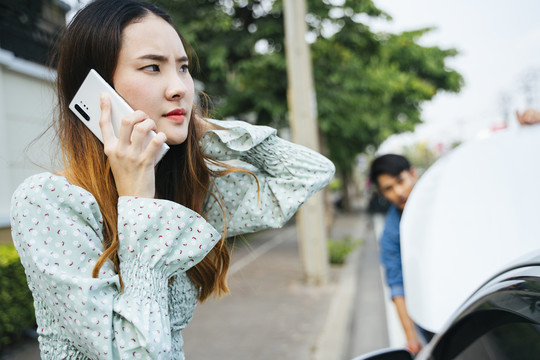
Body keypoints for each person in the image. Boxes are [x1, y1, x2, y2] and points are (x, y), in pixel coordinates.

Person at [9, 1, 335, 359]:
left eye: (183, 68)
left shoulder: (184, 190)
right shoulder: (49, 203)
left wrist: (203, 129)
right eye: (153, 67)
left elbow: (310, 173)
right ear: (94, 90)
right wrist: (137, 203)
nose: (179, 87)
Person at [369, 154, 432, 354]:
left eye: (400, 181)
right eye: (388, 188)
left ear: (412, 174)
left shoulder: (441, 201)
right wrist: (411, 338)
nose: (398, 192)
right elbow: (397, 284)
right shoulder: (390, 233)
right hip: (432, 316)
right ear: (381, 193)